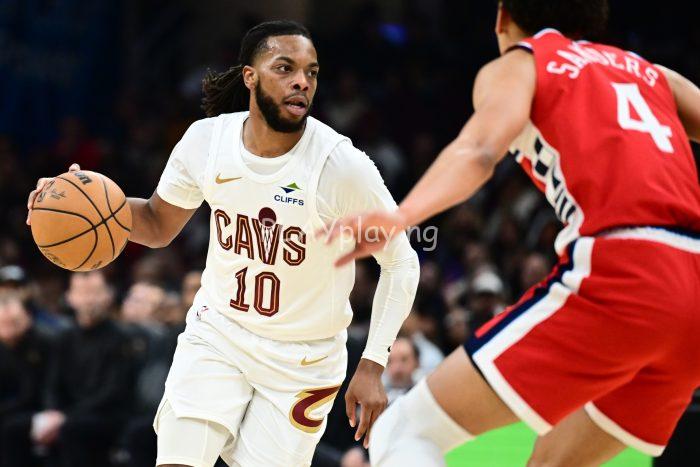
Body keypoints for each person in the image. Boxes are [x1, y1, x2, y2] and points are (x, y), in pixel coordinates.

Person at [27, 20, 419, 467]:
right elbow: (156, 223)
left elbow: (401, 262)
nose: (301, 81)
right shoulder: (207, 141)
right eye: (285, 68)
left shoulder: (341, 166)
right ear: (250, 76)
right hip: (219, 334)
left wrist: (372, 363)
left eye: (311, 72)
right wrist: (77, 201)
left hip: (301, 361)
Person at [326, 1, 700, 465]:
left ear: (502, 17)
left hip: (625, 272)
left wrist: (401, 217)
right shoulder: (651, 72)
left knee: (402, 428)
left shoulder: (524, 62)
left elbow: (480, 151)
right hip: (693, 295)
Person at [2, 271, 134, 467]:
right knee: (13, 429)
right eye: (81, 292)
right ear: (69, 297)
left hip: (105, 415)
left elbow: (113, 391)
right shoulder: (64, 337)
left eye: (95, 292)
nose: (88, 300)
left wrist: (66, 416)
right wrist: (52, 411)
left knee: (71, 429)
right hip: (65, 414)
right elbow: (52, 384)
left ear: (109, 295)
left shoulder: (122, 337)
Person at [0, 292, 53, 467]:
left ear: (28, 318)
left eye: (13, 322)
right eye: (3, 323)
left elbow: (32, 393)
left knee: (11, 428)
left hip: (41, 409)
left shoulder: (44, 343)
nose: (8, 327)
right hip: (12, 409)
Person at [383, 337, 420, 405]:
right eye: (390, 361)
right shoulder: (376, 397)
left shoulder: (425, 392)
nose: (396, 368)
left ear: (417, 362)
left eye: (404, 360)